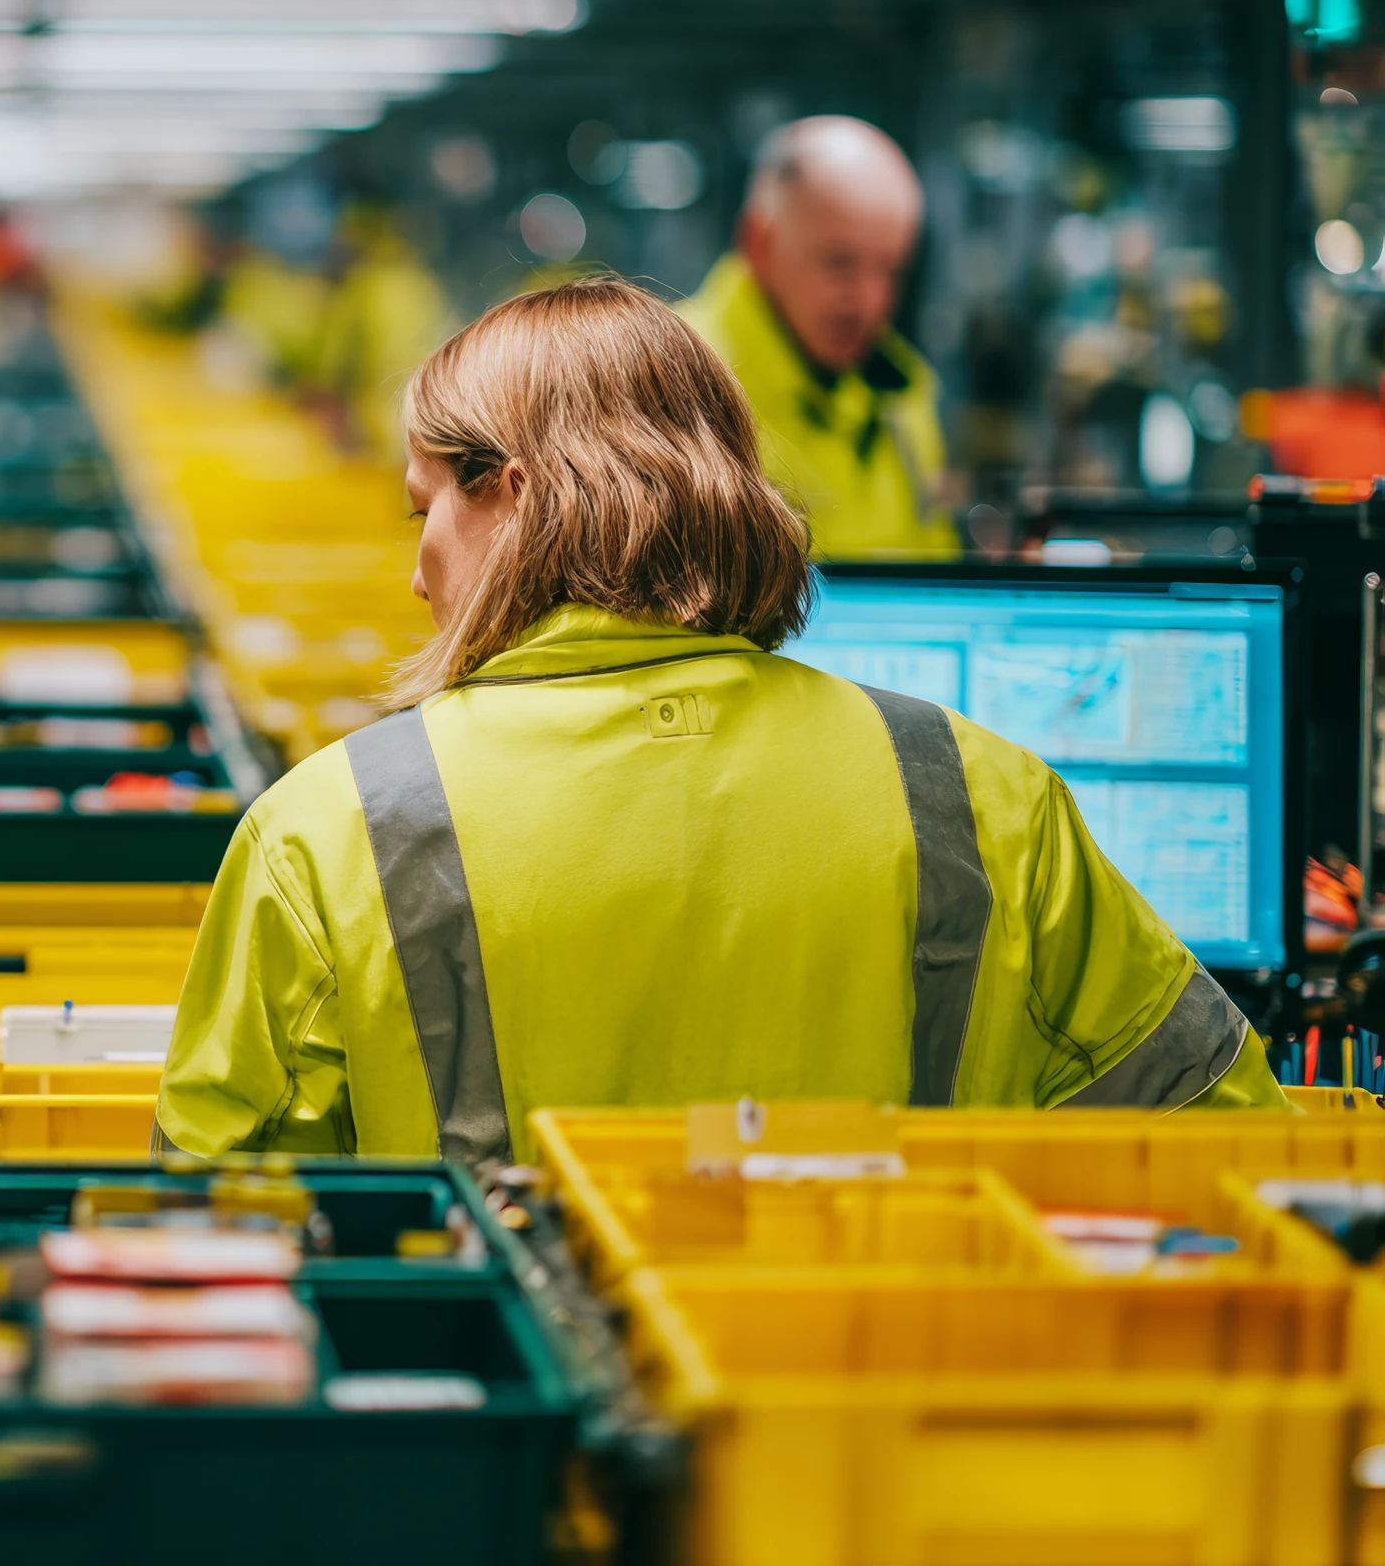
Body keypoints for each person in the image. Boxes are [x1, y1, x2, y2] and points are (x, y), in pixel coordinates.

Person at [156, 279, 1281, 1171]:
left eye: (426, 508)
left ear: (511, 491)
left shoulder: (329, 827)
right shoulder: (985, 797)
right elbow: (1235, 1141)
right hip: (896, 1445)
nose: (415, 573)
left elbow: (214, 1240)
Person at [679, 116, 958, 560]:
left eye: (890, 269)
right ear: (759, 242)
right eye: (839, 263)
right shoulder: (666, 378)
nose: (870, 300)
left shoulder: (903, 393)